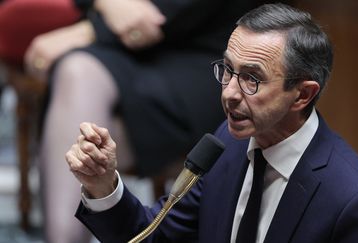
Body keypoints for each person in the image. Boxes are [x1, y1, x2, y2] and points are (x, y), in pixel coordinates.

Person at [66, 3, 358, 243]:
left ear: (302, 95)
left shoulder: (355, 203)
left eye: (251, 79)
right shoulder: (227, 143)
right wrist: (103, 184)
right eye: (228, 70)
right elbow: (155, 235)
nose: (229, 93)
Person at [24, 0, 263, 242]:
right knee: (77, 74)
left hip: (206, 52)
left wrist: (90, 30)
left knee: (80, 100)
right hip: (123, 47)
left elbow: (167, 14)